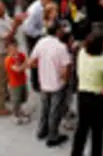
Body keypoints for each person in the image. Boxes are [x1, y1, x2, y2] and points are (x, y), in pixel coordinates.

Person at [70, 30, 103, 156]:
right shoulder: (102, 61)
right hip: (98, 98)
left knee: (82, 128)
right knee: (97, 131)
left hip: (82, 95)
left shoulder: (82, 53)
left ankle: (76, 153)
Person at [29, 20, 71, 148]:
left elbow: (32, 61)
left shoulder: (41, 42)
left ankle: (42, 131)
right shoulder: (61, 47)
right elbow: (66, 69)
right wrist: (65, 81)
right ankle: (53, 136)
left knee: (45, 108)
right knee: (55, 111)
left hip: (44, 83)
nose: (63, 31)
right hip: (57, 85)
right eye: (62, 28)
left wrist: (43, 67)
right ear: (58, 31)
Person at [0, 0, 24, 117]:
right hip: (2, 53)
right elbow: (8, 38)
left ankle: (6, 96)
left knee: (8, 75)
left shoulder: (4, 16)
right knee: (1, 79)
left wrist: (17, 21)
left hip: (9, 51)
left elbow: (11, 24)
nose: (4, 7)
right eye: (1, 7)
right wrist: (16, 25)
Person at [4, 40, 31, 124]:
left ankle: (20, 110)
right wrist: (25, 64)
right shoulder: (8, 60)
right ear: (7, 50)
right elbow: (18, 69)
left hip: (22, 81)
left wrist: (25, 64)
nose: (14, 50)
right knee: (15, 100)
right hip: (14, 84)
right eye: (11, 49)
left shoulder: (21, 55)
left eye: (15, 48)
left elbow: (27, 64)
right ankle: (15, 115)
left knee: (23, 97)